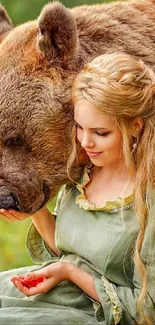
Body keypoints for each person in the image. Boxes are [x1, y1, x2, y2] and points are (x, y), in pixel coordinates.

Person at [0, 52, 155, 325]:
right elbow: (68, 249)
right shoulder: (82, 171)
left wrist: (70, 274)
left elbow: (147, 310)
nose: (85, 141)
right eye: (79, 127)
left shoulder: (147, 198)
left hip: (92, 315)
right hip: (55, 297)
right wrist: (36, 210)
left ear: (136, 127)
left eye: (100, 132)